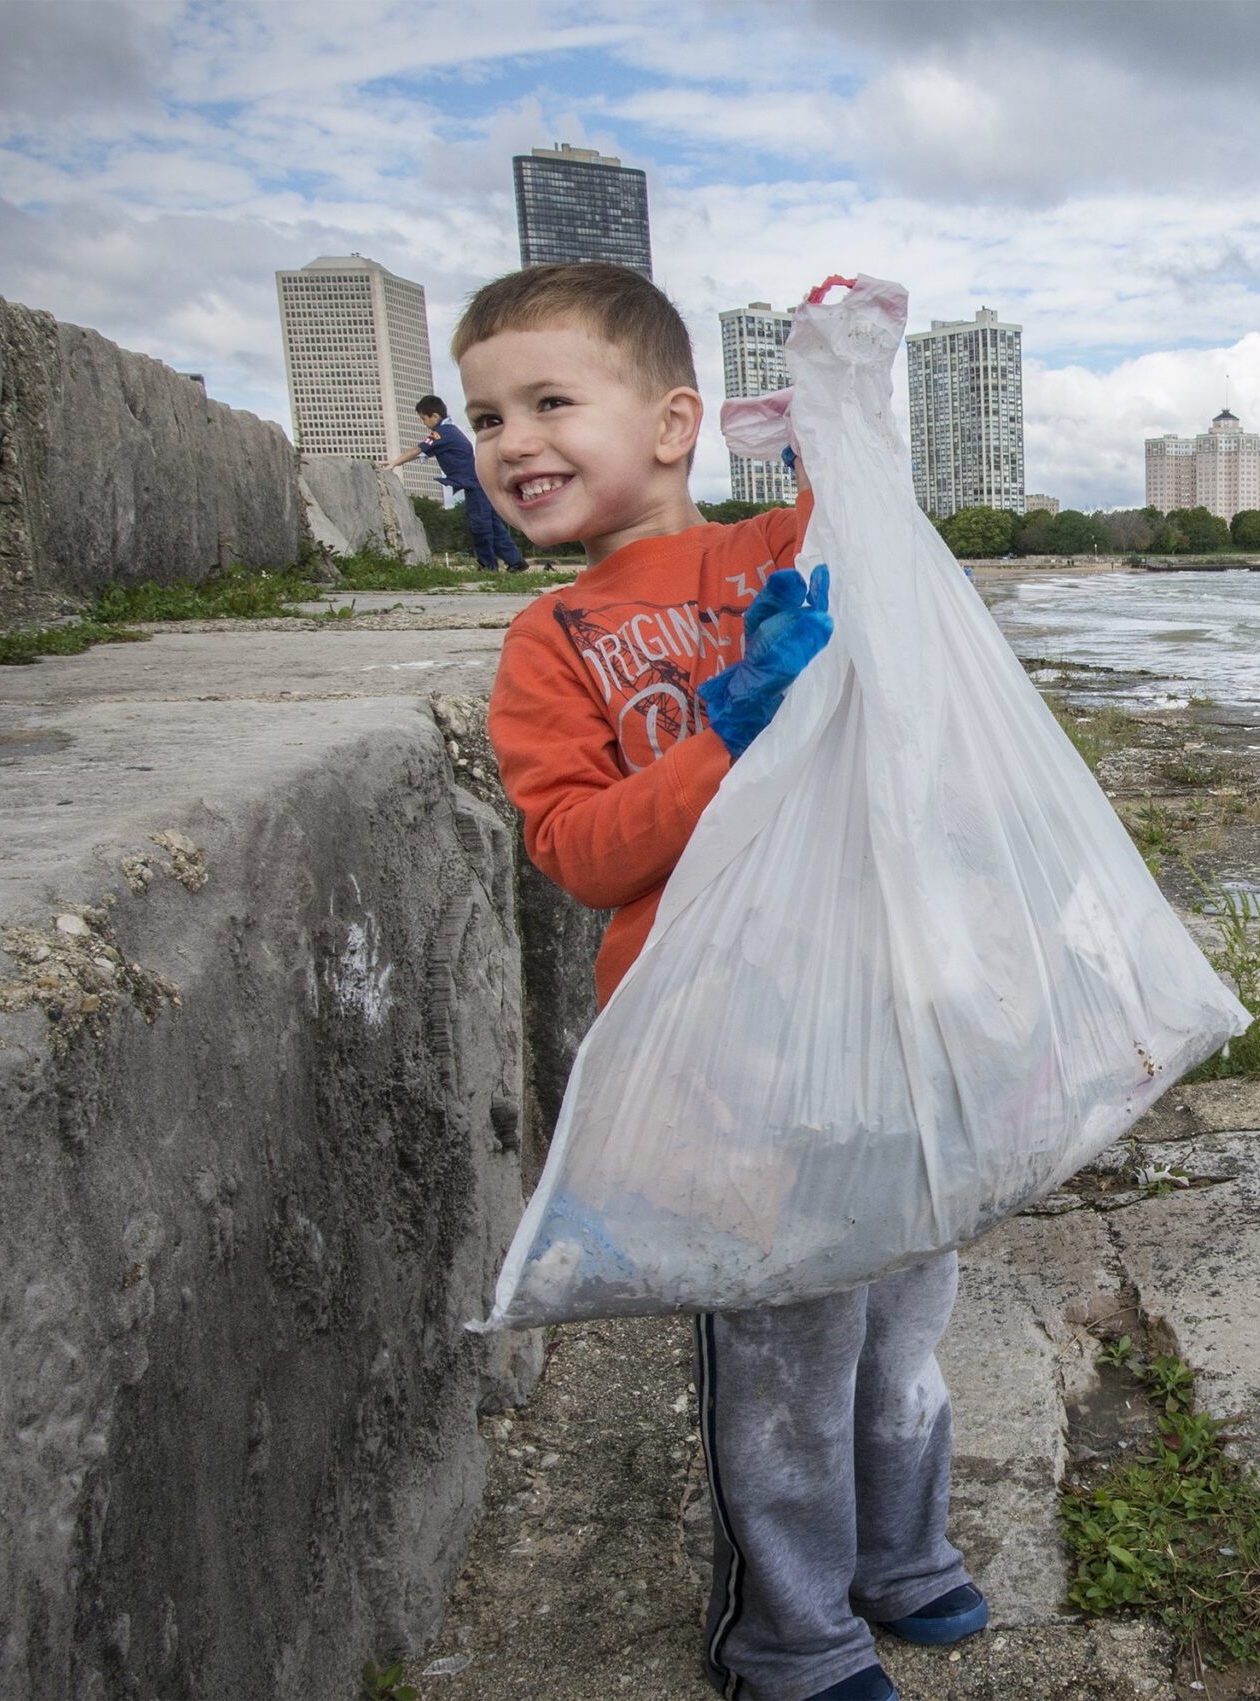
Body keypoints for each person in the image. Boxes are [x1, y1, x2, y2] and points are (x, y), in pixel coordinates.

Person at [472, 262, 983, 1701]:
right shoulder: (547, 644)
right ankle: (792, 1633)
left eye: (551, 401)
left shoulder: (771, 554)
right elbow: (577, 849)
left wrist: (847, 398)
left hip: (876, 1022)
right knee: (781, 1362)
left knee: (902, 1331)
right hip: (718, 1058)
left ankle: (904, 1555)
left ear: (678, 421)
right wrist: (723, 737)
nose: (512, 440)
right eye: (487, 414)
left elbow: (876, 540)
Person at [387, 393, 527, 573]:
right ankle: (515, 561)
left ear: (435, 416)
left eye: (424, 418)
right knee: (492, 525)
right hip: (480, 483)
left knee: (480, 526)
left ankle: (488, 566)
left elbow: (417, 450)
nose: (423, 423)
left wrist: (394, 463)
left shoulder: (441, 434)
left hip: (474, 485)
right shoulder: (450, 431)